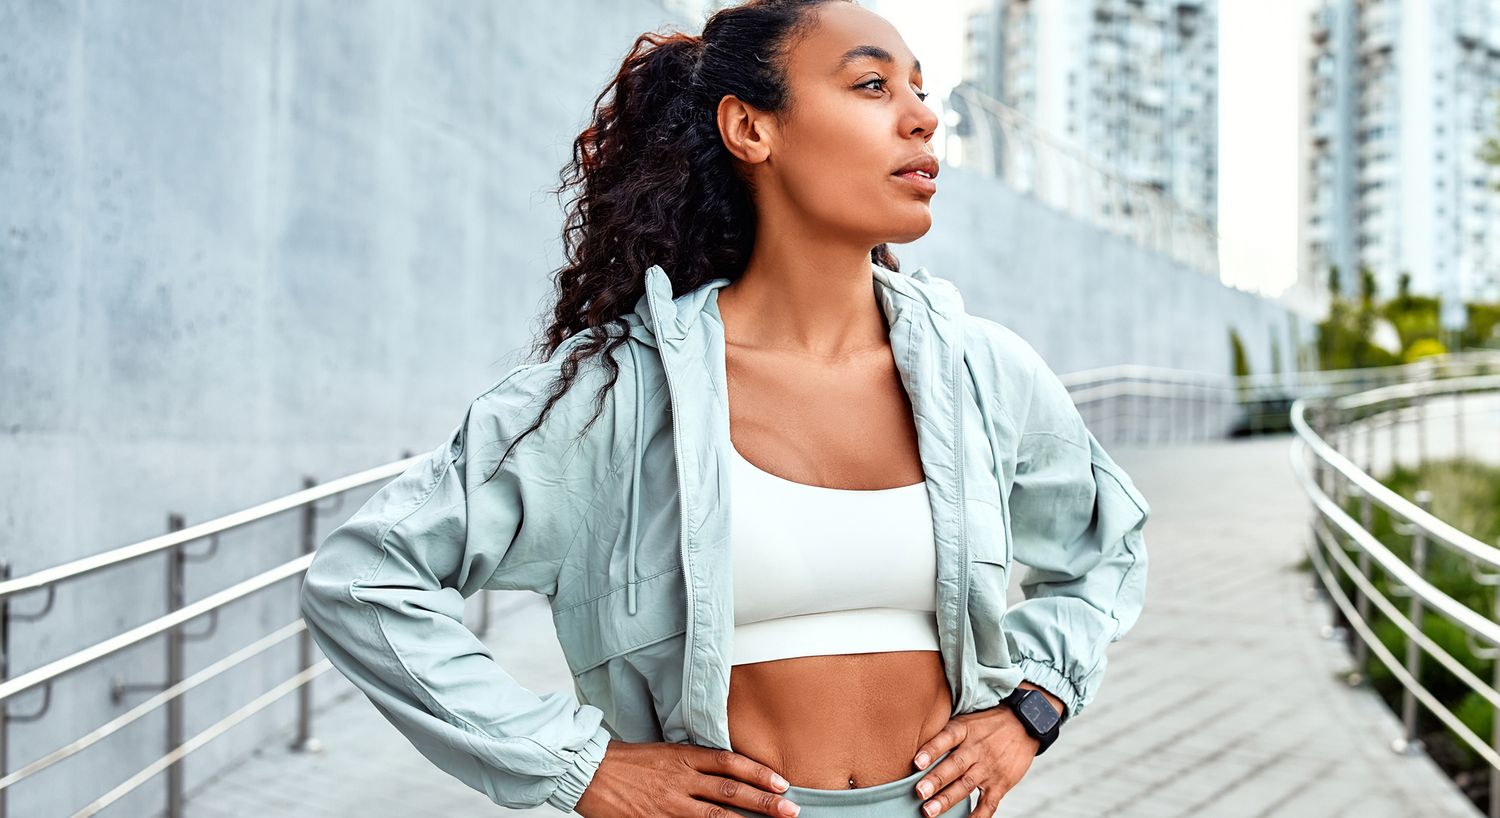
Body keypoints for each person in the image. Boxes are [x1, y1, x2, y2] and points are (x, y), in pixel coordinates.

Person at [298, 1, 1152, 817]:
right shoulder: (620, 392)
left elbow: (1104, 550)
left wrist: (1032, 709)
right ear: (751, 129)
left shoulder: (982, 371)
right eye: (871, 85)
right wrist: (579, 766)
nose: (923, 118)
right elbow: (366, 581)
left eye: (920, 90)